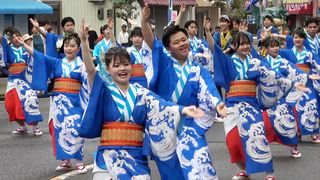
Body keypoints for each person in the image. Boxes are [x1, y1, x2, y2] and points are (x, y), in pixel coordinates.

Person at [78, 19, 206, 179]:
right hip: (108, 157)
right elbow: (90, 70)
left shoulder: (142, 93)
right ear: (108, 69)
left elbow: (163, 106)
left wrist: (183, 109)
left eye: (125, 64)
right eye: (116, 66)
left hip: (136, 158)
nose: (122, 69)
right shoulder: (104, 90)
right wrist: (83, 40)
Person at [141, 4, 227, 180]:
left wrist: (218, 104)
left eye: (184, 39)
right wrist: (144, 21)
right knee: (171, 173)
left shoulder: (197, 69)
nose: (182, 43)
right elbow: (151, 42)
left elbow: (209, 89)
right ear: (169, 47)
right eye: (177, 42)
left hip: (189, 126)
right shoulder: (164, 62)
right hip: (165, 125)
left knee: (201, 167)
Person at [213, 31, 302, 180]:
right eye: (241, 44)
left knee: (258, 137)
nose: (245, 46)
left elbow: (272, 74)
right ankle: (245, 170)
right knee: (233, 143)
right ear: (234, 46)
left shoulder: (256, 61)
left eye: (247, 43)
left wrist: (290, 82)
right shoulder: (228, 61)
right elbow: (215, 50)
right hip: (232, 106)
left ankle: (270, 172)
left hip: (251, 105)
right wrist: (209, 34)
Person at [16, 33, 89, 173]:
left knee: (75, 130)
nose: (69, 48)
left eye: (73, 46)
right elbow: (38, 56)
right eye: (67, 45)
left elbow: (88, 83)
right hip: (59, 102)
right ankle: (66, 161)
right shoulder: (57, 62)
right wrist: (24, 44)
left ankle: (79, 161)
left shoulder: (82, 65)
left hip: (75, 102)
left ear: (78, 48)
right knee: (60, 130)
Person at [261, 37, 319, 158]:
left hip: (283, 97)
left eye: (277, 45)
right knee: (265, 125)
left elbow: (296, 71)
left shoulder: (283, 62)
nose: (276, 48)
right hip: (268, 98)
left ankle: (294, 147)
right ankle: (263, 148)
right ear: (265, 49)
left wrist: (307, 76)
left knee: (289, 123)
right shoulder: (262, 63)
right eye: (272, 46)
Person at [278, 28, 320, 143]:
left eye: (300, 37)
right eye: (295, 37)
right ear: (292, 39)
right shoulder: (286, 52)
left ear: (304, 39)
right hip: (293, 84)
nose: (298, 39)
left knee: (312, 105)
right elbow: (278, 63)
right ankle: (297, 132)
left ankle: (314, 132)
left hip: (307, 83)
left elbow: (317, 65)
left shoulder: (309, 53)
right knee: (293, 109)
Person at [5, 30, 43, 136]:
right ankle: (22, 126)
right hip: (12, 79)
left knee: (30, 101)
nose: (17, 39)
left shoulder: (26, 49)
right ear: (11, 39)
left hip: (26, 78)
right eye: (14, 37)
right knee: (10, 105)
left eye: (19, 36)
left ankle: (35, 127)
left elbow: (36, 58)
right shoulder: (7, 49)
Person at [92, 18, 117, 84]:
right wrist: (92, 59)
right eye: (106, 29)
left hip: (112, 65)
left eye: (109, 29)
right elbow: (95, 55)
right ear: (103, 31)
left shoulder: (113, 42)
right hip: (102, 67)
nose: (108, 31)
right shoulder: (99, 44)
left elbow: (115, 45)